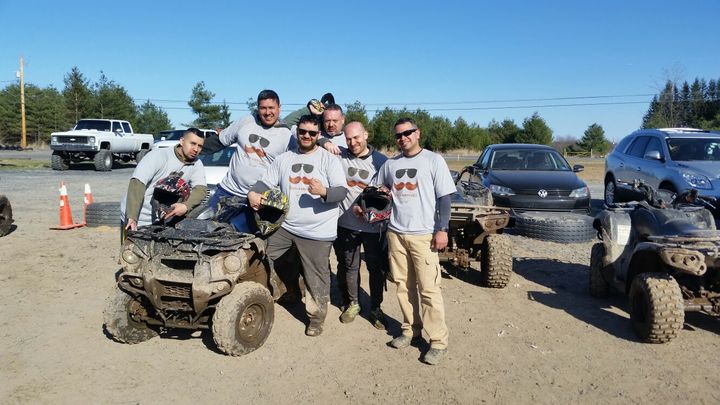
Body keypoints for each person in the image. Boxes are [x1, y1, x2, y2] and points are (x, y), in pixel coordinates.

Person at [247, 115, 347, 337]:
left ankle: (316, 317)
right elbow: (266, 182)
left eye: (312, 133)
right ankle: (291, 290)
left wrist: (325, 192)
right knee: (272, 259)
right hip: (287, 226)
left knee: (316, 277)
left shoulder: (329, 160)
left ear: (318, 135)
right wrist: (254, 192)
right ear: (297, 132)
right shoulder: (284, 159)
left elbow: (342, 191)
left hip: (317, 231)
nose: (307, 136)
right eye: (303, 131)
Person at [373, 117, 456, 365]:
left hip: (424, 235)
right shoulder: (390, 164)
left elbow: (444, 199)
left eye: (407, 133)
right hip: (396, 233)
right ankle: (411, 330)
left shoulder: (433, 160)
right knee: (403, 286)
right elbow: (378, 190)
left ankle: (438, 341)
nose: (403, 138)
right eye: (398, 135)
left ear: (417, 133)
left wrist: (442, 229)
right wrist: (377, 198)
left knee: (429, 290)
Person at [205, 89, 294, 233]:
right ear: (258, 108)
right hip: (227, 192)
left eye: (271, 108)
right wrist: (188, 149)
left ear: (279, 108)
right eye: (263, 108)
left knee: (238, 238)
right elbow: (219, 141)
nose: (267, 112)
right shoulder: (246, 121)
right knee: (205, 229)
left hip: (257, 200)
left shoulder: (287, 135)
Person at [333, 122, 389, 329]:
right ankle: (353, 303)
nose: (352, 142)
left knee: (376, 269)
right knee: (349, 266)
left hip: (374, 228)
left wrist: (370, 207)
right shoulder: (339, 157)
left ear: (366, 135)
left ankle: (375, 307)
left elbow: (388, 191)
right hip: (346, 224)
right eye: (348, 138)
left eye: (356, 137)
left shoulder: (381, 161)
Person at [121, 128, 208, 231]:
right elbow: (137, 183)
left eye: (200, 146)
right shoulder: (158, 156)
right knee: (129, 247)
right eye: (193, 143)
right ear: (182, 141)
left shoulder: (196, 164)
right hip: (137, 216)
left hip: (163, 218)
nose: (196, 149)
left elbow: (201, 189)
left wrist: (185, 206)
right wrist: (132, 217)